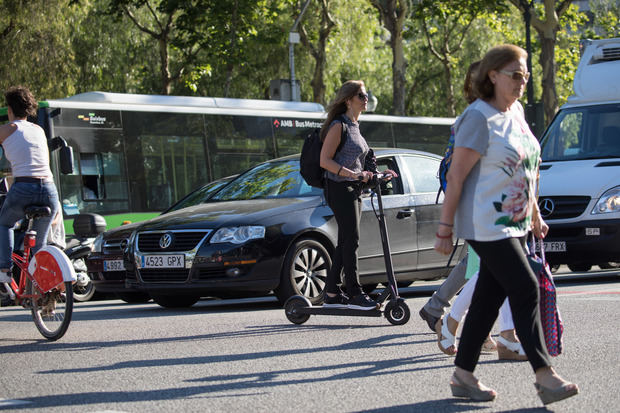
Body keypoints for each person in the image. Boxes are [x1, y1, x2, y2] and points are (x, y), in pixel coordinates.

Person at [434, 45, 578, 405]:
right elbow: (456, 176)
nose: (522, 81)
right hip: (484, 221)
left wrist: (535, 214)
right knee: (527, 285)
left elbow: (526, 167)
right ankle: (545, 376)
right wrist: (444, 228)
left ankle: (463, 375)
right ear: (492, 75)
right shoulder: (477, 118)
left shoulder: (515, 113)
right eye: (515, 74)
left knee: (487, 297)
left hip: (513, 221)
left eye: (526, 74)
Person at [319, 80, 396, 310]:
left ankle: (331, 292)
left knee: (345, 241)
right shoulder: (338, 125)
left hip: (354, 188)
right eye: (361, 96)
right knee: (351, 241)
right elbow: (325, 160)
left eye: (366, 95)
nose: (366, 99)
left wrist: (377, 174)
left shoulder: (355, 125)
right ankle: (354, 293)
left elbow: (359, 159)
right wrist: (351, 173)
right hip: (339, 188)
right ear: (348, 99)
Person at [0, 86, 59, 284]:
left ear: (10, 109)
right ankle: (42, 286)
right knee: (39, 243)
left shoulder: (8, 129)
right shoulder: (38, 130)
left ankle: (5, 269)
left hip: (24, 187)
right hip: (50, 190)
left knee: (4, 223)